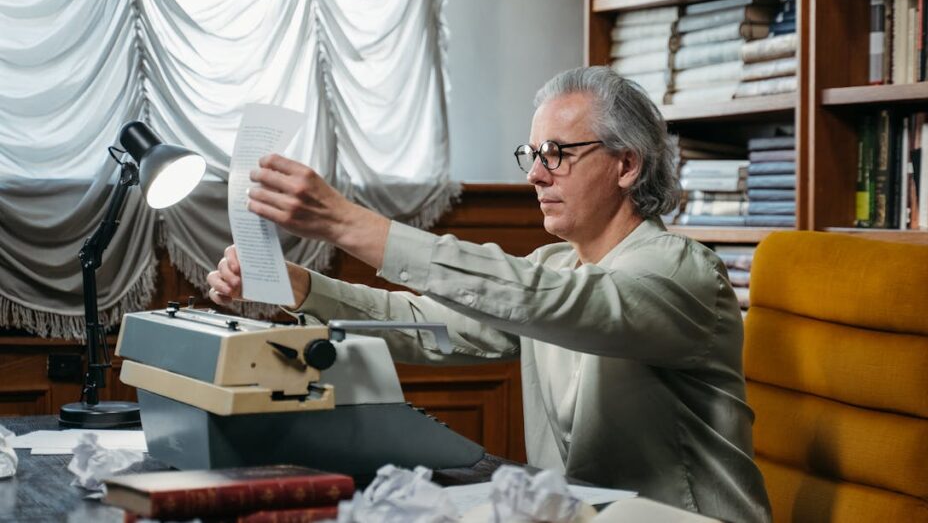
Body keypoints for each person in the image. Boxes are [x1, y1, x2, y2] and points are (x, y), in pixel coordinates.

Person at [207, 66, 771, 522]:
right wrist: (301, 287)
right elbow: (423, 326)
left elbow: (548, 300)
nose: (535, 176)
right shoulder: (554, 265)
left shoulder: (683, 274)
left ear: (626, 165)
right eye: (532, 156)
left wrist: (350, 225)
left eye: (556, 153)